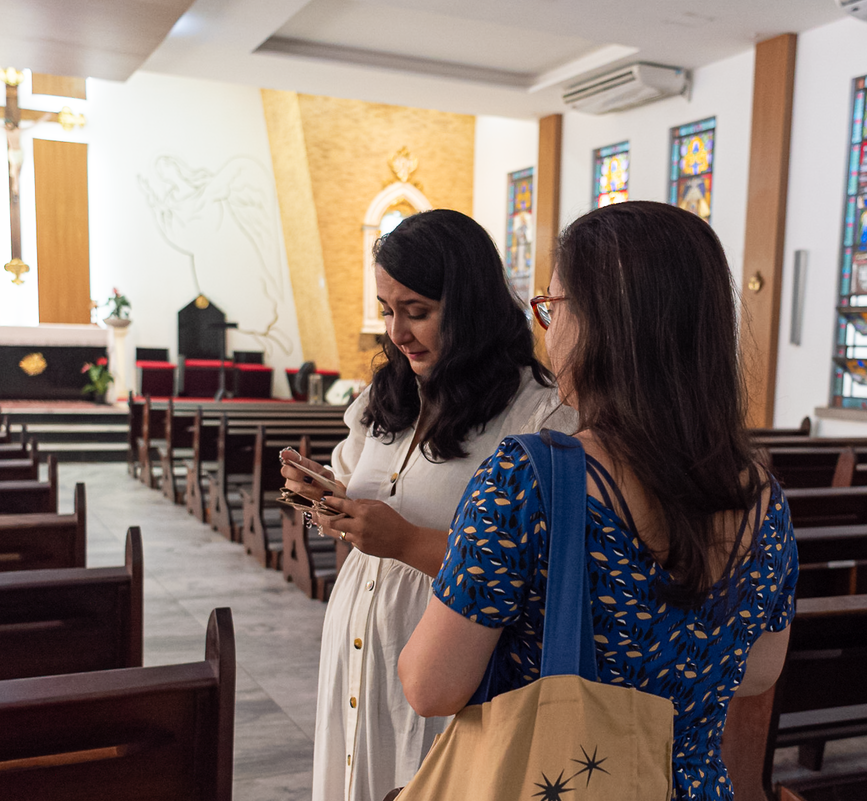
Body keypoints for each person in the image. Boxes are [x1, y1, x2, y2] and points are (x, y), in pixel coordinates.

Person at [398, 201, 798, 800]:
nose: (547, 329)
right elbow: (758, 671)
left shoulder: (528, 479)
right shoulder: (762, 499)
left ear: (600, 324)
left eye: (553, 306)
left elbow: (430, 687)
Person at [280, 209, 576, 801]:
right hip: (360, 631)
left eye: (416, 312)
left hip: (449, 652)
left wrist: (404, 541)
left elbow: (542, 571)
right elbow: (363, 492)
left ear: (470, 307)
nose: (397, 332)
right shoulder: (386, 395)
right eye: (387, 310)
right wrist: (329, 499)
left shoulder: (539, 415)